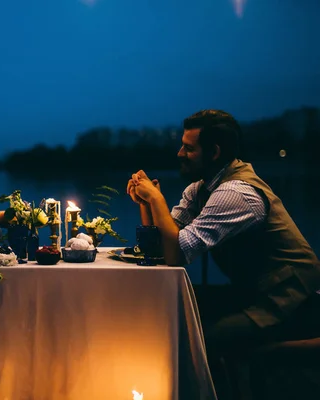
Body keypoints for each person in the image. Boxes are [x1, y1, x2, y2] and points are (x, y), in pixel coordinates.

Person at [126, 109, 320, 398]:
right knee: (170, 306)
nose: (179, 153)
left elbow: (177, 253)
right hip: (252, 293)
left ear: (214, 152)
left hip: (290, 301)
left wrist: (158, 199)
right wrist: (147, 203)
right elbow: (160, 249)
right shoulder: (200, 190)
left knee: (198, 339)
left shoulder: (236, 193)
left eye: (189, 148)